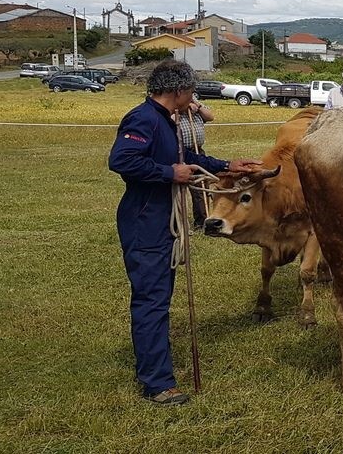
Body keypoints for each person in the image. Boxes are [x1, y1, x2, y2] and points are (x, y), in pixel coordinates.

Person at [108, 60, 262, 405]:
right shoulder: (143, 119)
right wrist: (168, 173)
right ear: (177, 91)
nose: (193, 96)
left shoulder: (167, 121)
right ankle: (157, 383)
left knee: (158, 298)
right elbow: (122, 160)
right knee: (152, 301)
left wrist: (226, 166)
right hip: (146, 220)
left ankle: (151, 367)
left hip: (161, 219)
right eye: (191, 90)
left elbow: (186, 156)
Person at [175, 98, 215, 228]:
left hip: (197, 151)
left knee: (201, 185)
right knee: (179, 188)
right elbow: (169, 118)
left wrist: (197, 105)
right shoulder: (174, 102)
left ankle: (202, 220)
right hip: (180, 152)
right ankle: (178, 221)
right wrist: (183, 108)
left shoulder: (195, 104)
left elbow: (210, 116)